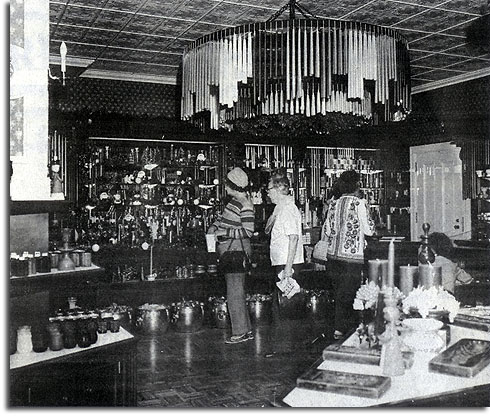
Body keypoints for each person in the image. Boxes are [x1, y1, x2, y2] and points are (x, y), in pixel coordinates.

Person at [322, 170, 376, 339]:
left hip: (332, 257)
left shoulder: (333, 204)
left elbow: (328, 230)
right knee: (351, 295)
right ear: (357, 185)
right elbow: (370, 230)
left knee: (339, 295)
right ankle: (349, 331)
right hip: (351, 258)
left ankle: (338, 329)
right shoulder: (360, 203)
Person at [207, 167, 255, 344]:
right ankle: (246, 330)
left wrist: (223, 233)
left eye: (227, 184)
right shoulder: (234, 202)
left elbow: (248, 231)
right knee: (237, 292)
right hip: (229, 251)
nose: (225, 188)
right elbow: (223, 218)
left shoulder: (245, 204)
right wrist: (214, 226)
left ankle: (239, 332)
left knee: (234, 293)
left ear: (233, 185)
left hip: (236, 252)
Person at [265, 175, 304, 296]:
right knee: (280, 302)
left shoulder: (287, 209)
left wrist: (288, 268)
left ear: (278, 189)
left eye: (269, 189)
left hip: (287, 264)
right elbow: (266, 230)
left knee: (286, 304)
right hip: (281, 262)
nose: (267, 193)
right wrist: (275, 213)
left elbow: (294, 238)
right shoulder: (280, 208)